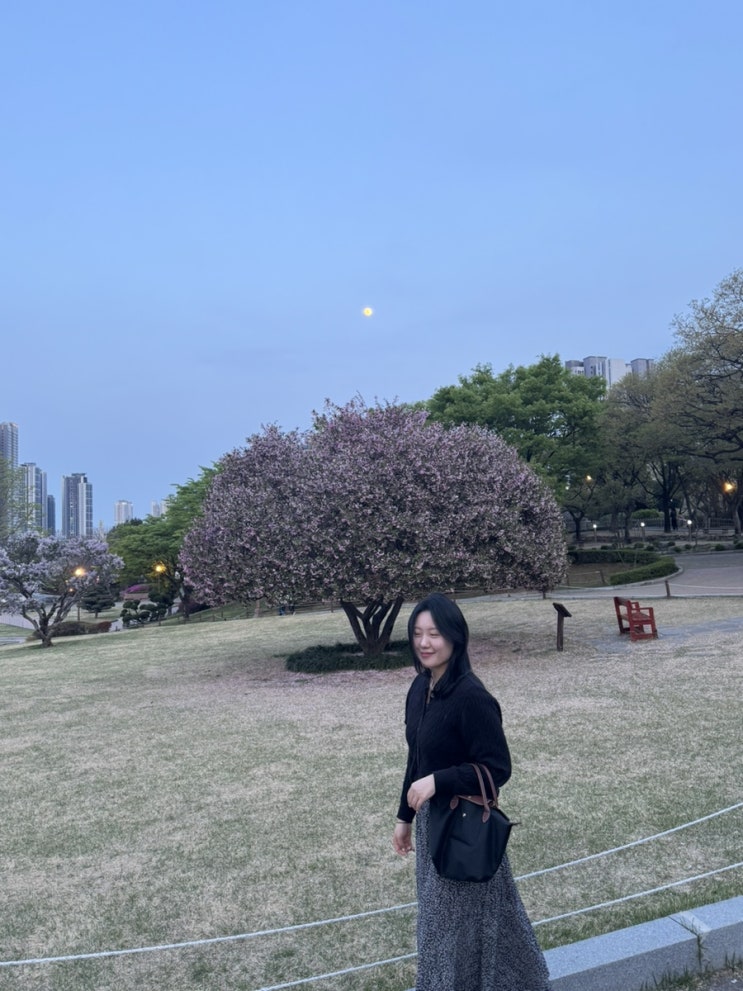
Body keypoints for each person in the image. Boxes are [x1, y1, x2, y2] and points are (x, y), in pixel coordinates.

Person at [392, 592, 552, 991]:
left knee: (456, 929)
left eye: (435, 633)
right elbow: (416, 758)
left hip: (463, 829)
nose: (424, 642)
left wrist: (440, 781)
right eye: (417, 633)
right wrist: (403, 818)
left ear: (456, 637)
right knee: (445, 925)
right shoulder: (420, 687)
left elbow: (497, 769)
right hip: (431, 826)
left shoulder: (471, 696)